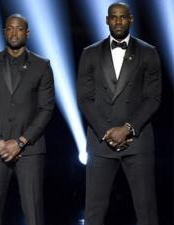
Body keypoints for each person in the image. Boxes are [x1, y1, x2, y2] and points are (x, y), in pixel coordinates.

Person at [77, 2, 161, 225]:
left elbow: (153, 97)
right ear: (106, 20)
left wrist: (127, 129)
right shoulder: (90, 53)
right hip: (101, 141)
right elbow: (85, 98)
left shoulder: (148, 52)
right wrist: (108, 132)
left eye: (122, 17)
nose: (117, 21)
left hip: (138, 140)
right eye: (113, 17)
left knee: (146, 211)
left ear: (130, 19)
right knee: (94, 212)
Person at [0, 14, 54, 225]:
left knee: (33, 211)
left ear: (27, 33)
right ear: (4, 32)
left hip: (30, 148)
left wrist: (20, 142)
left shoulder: (42, 65)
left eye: (19, 29)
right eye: (10, 28)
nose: (14, 32)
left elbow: (46, 108)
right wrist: (0, 142)